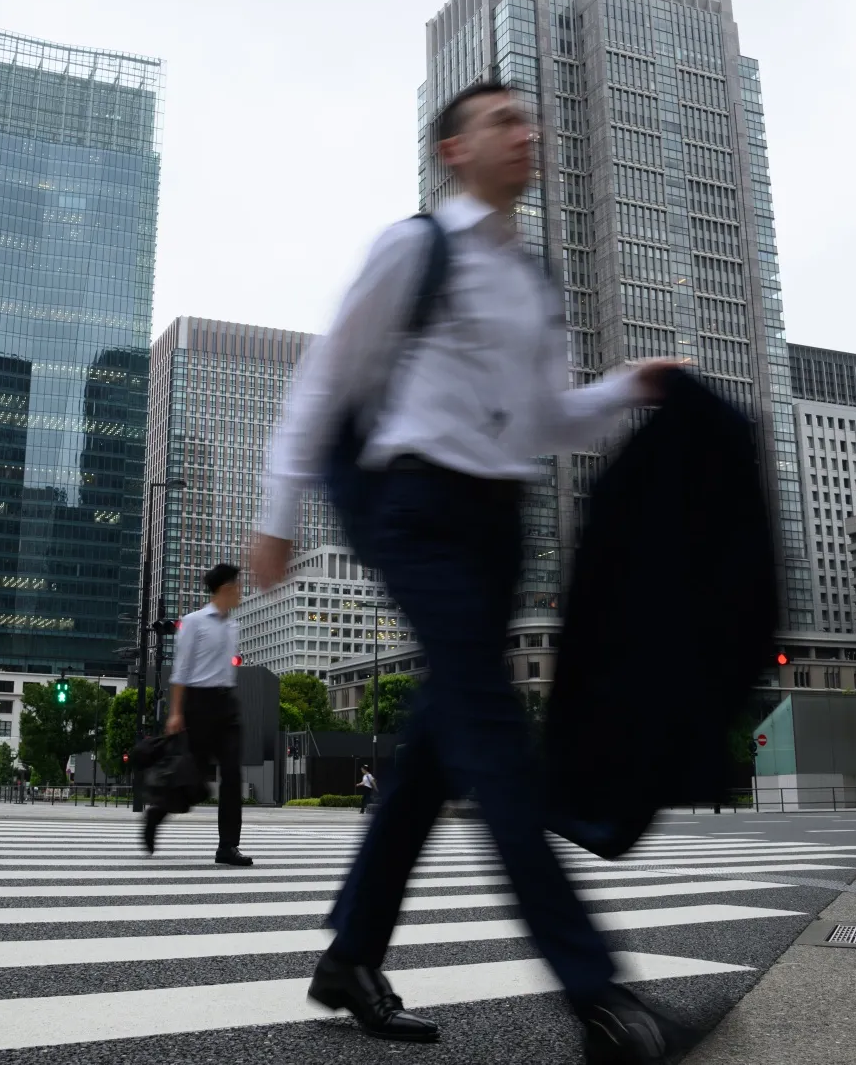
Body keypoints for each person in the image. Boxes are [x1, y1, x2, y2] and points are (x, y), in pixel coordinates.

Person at [252, 80, 684, 1059]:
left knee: (438, 744)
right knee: (492, 736)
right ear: (453, 148)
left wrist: (629, 386)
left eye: (528, 119)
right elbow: (325, 378)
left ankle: (349, 954)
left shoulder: (530, 282)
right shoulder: (415, 247)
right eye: (500, 120)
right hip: (418, 508)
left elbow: (542, 419)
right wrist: (274, 514)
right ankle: (597, 995)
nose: (524, 132)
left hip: (499, 521)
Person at [143, 562, 253, 866]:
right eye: (238, 586)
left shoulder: (233, 626)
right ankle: (157, 813)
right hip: (198, 705)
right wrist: (175, 712)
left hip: (226, 705)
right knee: (193, 781)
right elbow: (181, 672)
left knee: (232, 774)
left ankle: (227, 847)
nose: (241, 592)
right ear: (225, 589)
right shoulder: (193, 622)